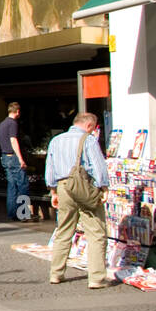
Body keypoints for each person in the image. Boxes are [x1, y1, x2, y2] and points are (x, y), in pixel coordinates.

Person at [44, 112, 111, 289]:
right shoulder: (88, 140)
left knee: (64, 229)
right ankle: (96, 278)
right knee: (95, 231)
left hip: (63, 186)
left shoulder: (56, 141)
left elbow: (49, 168)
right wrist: (103, 187)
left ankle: (56, 274)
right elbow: (97, 165)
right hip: (84, 187)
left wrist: (53, 191)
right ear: (89, 126)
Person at [0, 102, 31, 221]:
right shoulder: (13, 123)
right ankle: (23, 213)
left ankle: (12, 213)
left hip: (5, 157)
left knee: (12, 186)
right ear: (17, 111)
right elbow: (13, 140)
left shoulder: (2, 124)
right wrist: (21, 158)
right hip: (13, 157)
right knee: (23, 185)